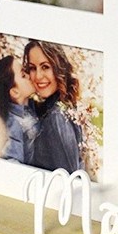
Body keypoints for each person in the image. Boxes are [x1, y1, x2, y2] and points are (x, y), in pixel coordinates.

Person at [23, 40, 83, 173]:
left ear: (59, 68)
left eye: (45, 67)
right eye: (32, 68)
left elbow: (68, 177)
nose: (38, 76)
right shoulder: (56, 109)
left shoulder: (56, 118)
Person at [0, 55, 38, 165]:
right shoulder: (13, 123)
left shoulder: (30, 108)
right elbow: (13, 162)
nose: (29, 75)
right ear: (15, 92)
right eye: (23, 75)